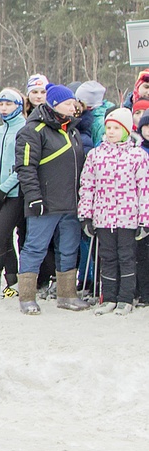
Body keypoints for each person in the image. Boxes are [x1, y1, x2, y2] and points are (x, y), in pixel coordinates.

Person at [15, 83, 90, 314]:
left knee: (68, 248)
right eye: (68, 103)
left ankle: (67, 295)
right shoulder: (33, 130)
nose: (74, 106)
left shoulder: (73, 131)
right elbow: (25, 167)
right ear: (55, 104)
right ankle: (27, 297)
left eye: (74, 102)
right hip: (45, 203)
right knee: (35, 248)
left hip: (70, 203)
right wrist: (34, 197)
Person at [78, 107, 149, 315]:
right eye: (108, 127)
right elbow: (87, 186)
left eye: (116, 128)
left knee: (126, 257)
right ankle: (108, 296)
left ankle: (126, 298)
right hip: (103, 217)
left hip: (128, 217)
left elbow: (144, 189)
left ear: (126, 130)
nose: (110, 132)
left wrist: (145, 219)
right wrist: (86, 215)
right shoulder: (95, 155)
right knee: (107, 257)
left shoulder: (137, 156)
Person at [0, 88, 27, 299]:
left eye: (8, 104)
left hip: (13, 193)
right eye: (1, 104)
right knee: (5, 240)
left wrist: (4, 188)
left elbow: (23, 165)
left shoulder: (24, 129)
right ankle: (13, 280)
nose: (4, 108)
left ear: (18, 106)